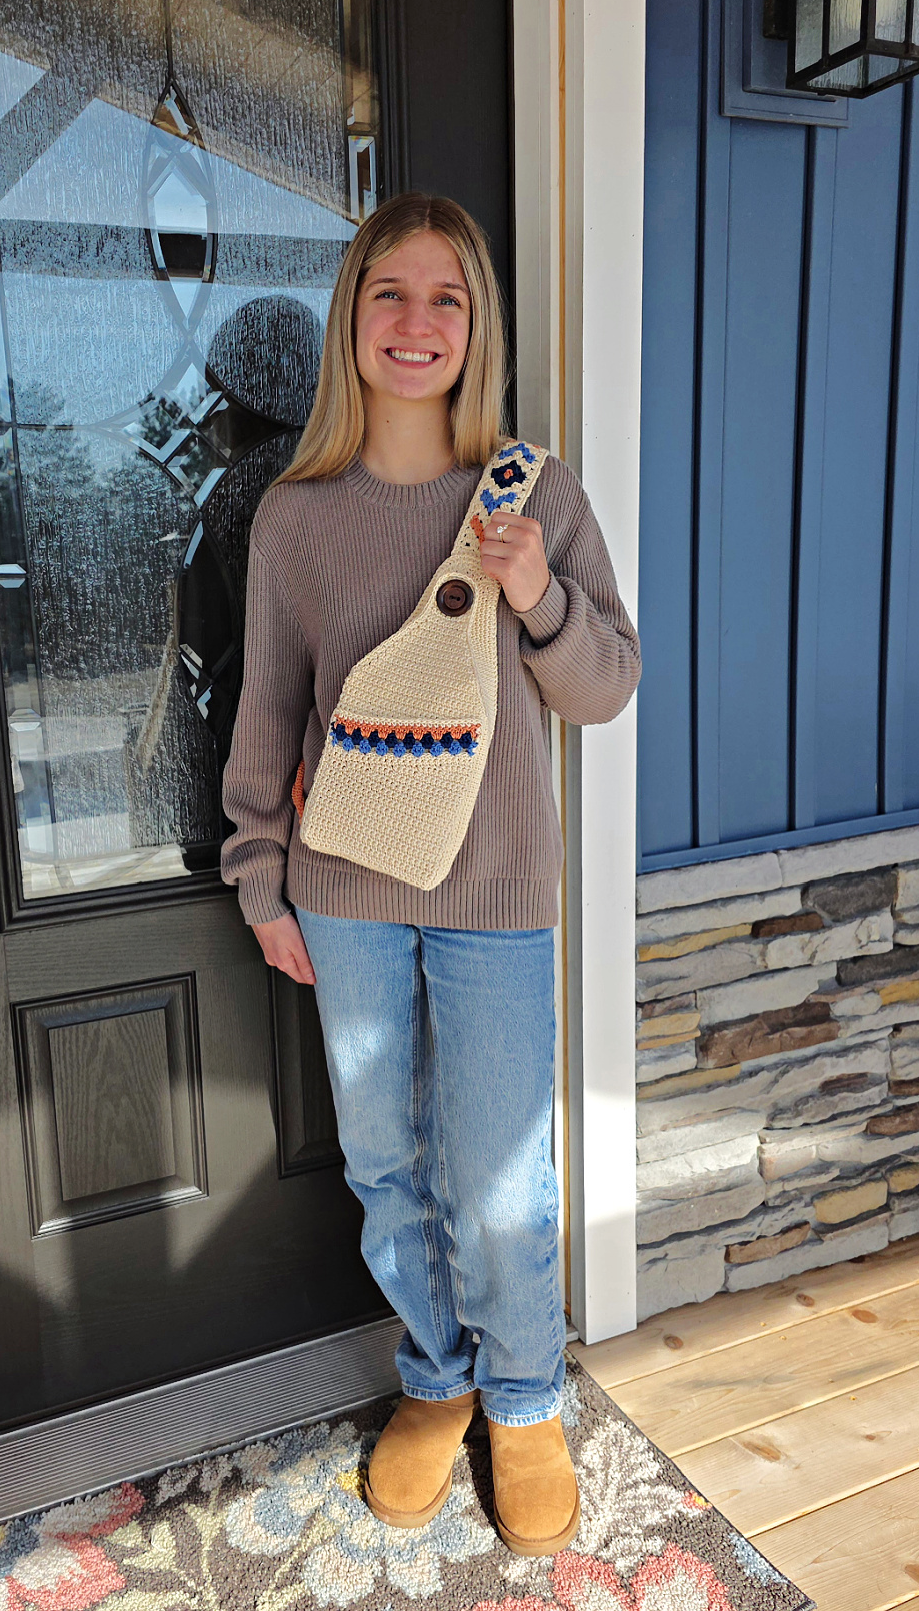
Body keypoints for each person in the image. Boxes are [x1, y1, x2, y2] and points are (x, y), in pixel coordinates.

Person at [219, 192, 640, 1557]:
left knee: (502, 1176)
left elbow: (606, 688)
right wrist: (263, 880)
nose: (416, 323)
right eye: (388, 295)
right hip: (343, 889)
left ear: (477, 326)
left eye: (445, 298)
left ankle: (523, 1401)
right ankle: (437, 1376)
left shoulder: (534, 492)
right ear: (353, 320)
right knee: (389, 1159)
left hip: (498, 890)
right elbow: (270, 715)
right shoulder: (295, 520)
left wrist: (538, 596)